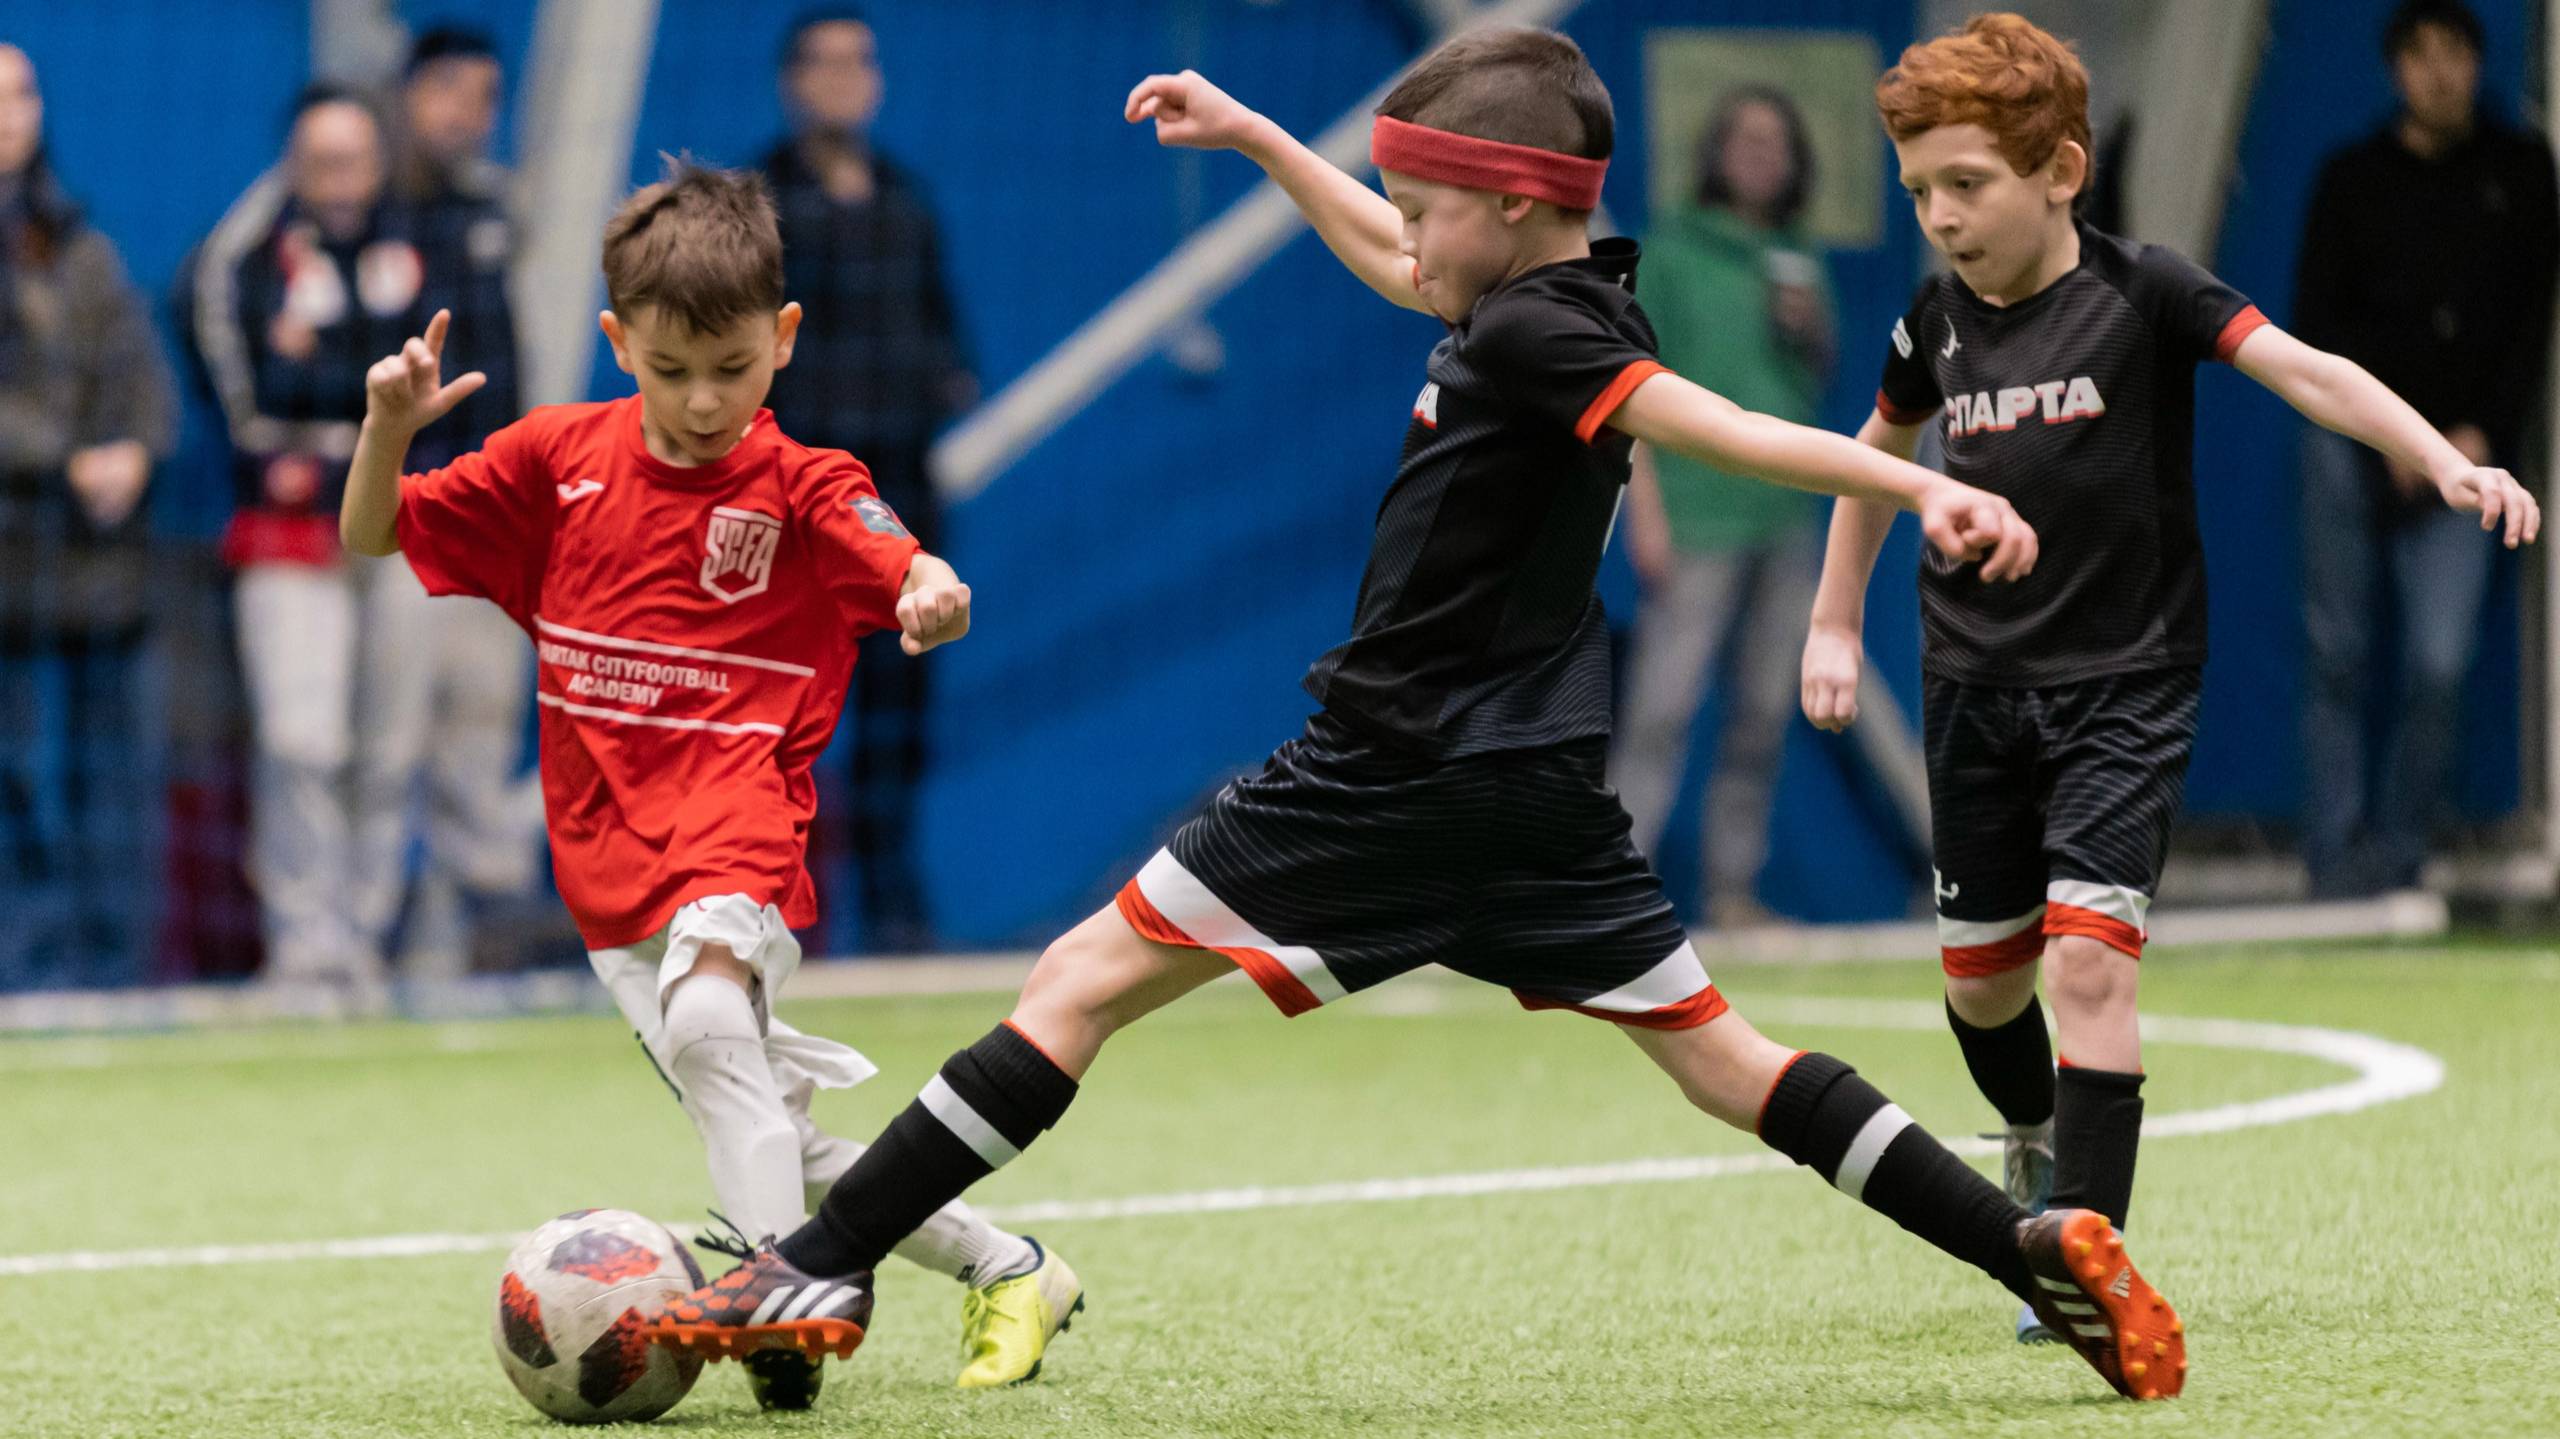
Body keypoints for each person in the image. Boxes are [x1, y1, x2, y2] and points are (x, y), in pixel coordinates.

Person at [649, 28, 2192, 1404]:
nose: (1407, 235)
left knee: (1077, 983)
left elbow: (1714, 422)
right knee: (1728, 1061)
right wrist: (1261, 138)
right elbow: (1401, 256)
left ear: (1510, 206)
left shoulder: (1541, 335)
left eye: (1428, 204)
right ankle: (2029, 1249)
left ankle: (815, 1262)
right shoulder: (1542, 295)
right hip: (1534, 794)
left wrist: (1919, 485)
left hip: (1387, 768)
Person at [1795, 12, 2537, 1348]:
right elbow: (1874, 455)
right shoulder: (1932, 322)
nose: (1941, 216)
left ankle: (2084, 1257)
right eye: (1917, 191)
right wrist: (1833, 620)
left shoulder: (2146, 293)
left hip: (2124, 684)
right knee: (1983, 988)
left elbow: (2309, 370)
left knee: (2089, 967)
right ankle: (2035, 1131)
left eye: (1966, 183)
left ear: (2061, 171)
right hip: (1972, 687)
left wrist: (2444, 458)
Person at [336, 161, 1076, 1405]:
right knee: (764, 1117)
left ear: (782, 338)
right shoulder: (554, 458)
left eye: (731, 368)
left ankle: (778, 1302)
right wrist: (387, 427)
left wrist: (930, 590)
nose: (700, 400)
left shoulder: (804, 484)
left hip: (737, 827)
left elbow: (899, 556)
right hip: (605, 873)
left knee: (705, 1023)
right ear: (617, 339)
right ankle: (1011, 1265)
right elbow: (372, 531)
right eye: (670, 368)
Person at [2292, 0, 2559, 896]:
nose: (2439, 72)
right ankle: (2334, 863)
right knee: (2336, 650)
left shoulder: (2521, 173)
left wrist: (2477, 434)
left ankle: (2401, 857)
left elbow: (2530, 326)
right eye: (2421, 54)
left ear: (2479, 63)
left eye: (2455, 53)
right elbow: (2314, 326)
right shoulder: (2350, 178)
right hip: (2350, 448)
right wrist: (2384, 442)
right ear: (2396, 68)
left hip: (2471, 457)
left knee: (2439, 662)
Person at [177, 86, 426, 1007]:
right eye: (320, 162)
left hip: (409, 526)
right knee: (299, 740)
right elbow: (255, 401)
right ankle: (303, 946)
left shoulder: (423, 244)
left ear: (380, 162)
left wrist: (324, 372)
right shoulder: (248, 255)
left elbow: (450, 382)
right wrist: (355, 413)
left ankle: (364, 944)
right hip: (289, 531)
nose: (340, 179)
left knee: (391, 747)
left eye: (354, 159)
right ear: (293, 166)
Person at [762, 8, 977, 952]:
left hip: (898, 507)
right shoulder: (761, 205)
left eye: (860, 62)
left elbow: (948, 339)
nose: (845, 79)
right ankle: (772, 905)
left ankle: (894, 911)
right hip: (792, 512)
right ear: (792, 82)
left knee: (897, 717)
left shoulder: (905, 199)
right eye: (826, 63)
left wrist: (938, 383)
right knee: (780, 713)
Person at [1609, 86, 1835, 927]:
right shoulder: (1670, 253)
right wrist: (1645, 510)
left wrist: (1808, 329)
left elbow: (1819, 377)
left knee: (1764, 713)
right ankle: (1615, 891)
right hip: (1694, 517)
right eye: (1746, 137)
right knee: (1661, 709)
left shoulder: (1797, 257)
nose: (1761, 153)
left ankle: (1734, 894)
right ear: (1715, 151)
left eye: (1776, 141)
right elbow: (1628, 387)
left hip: (1783, 517)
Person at [0, 42, 179, 987]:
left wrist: (134, 449)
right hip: (11, 561)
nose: (10, 113)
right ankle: (24, 964)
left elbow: (144, 375)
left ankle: (113, 968)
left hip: (94, 567)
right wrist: (61, 456)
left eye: (23, 94)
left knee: (108, 778)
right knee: (17, 775)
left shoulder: (79, 244)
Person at [371, 24, 542, 978]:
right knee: (385, 741)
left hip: (487, 520)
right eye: (451, 91)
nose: (469, 115)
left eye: (486, 96)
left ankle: (469, 942)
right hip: (393, 524)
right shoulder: (358, 208)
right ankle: (356, 940)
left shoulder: (491, 212)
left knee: (479, 725)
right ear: (409, 94)